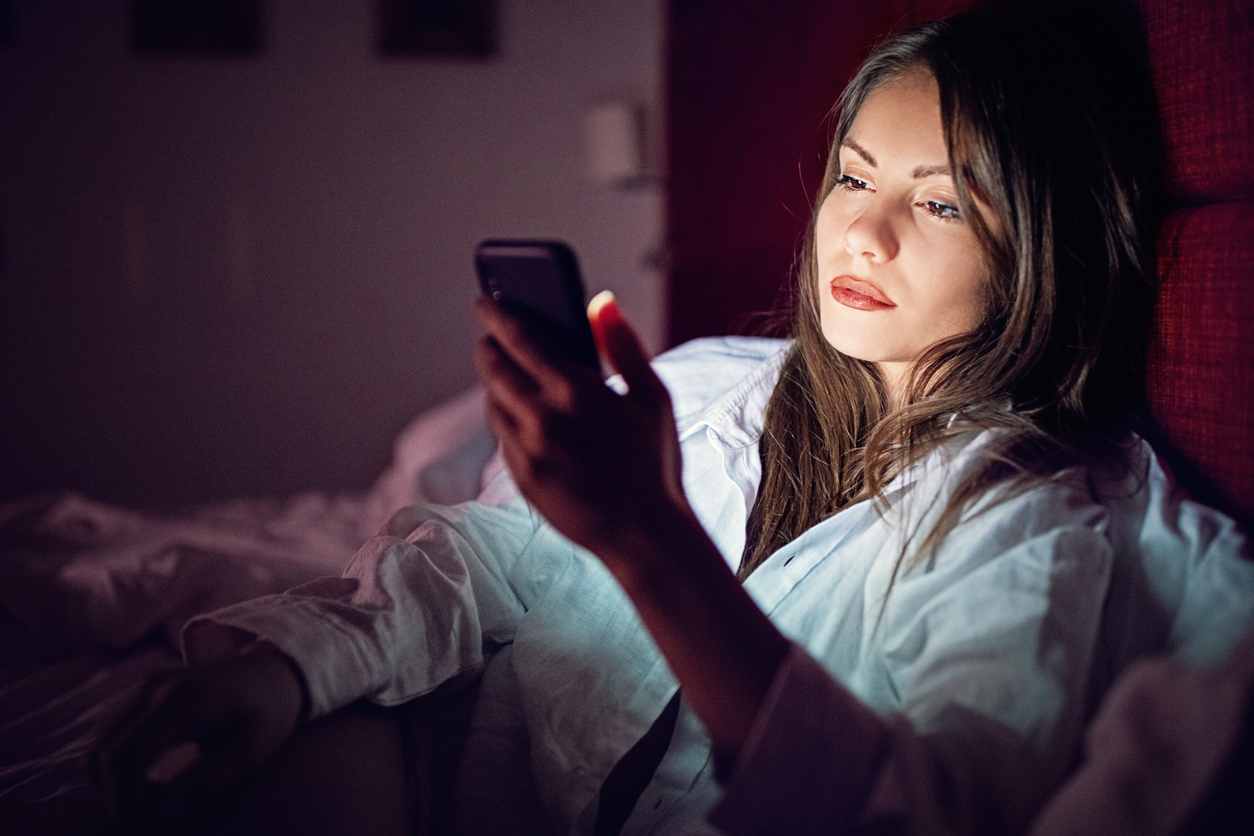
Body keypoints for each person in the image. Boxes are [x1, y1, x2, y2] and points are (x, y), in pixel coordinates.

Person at [92, 12, 1253, 836]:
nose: (865, 235)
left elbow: (923, 808)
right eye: (854, 179)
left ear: (1043, 248)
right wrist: (292, 670)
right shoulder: (709, 384)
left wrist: (646, 536)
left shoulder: (1029, 525)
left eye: (940, 200)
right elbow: (488, 553)